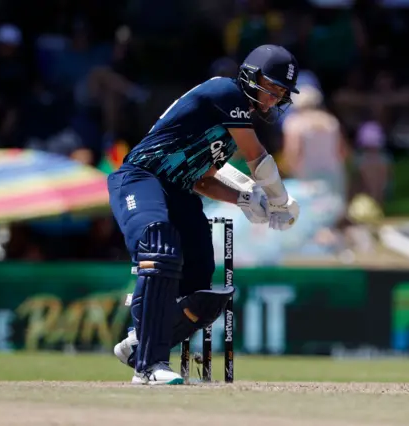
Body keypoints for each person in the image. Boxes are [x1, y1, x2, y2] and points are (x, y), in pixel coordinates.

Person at [108, 45, 300, 385]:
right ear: (251, 76)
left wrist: (245, 199)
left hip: (179, 189)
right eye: (271, 88)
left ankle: (139, 342)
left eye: (281, 94)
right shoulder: (225, 92)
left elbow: (202, 179)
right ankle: (150, 365)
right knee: (159, 243)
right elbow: (256, 156)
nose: (273, 99)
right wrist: (281, 200)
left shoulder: (226, 133)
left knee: (199, 281)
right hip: (141, 178)